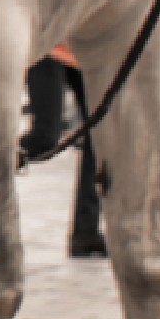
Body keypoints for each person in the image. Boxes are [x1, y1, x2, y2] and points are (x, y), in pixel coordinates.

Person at [24, 51, 105, 258]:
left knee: (99, 132)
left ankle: (86, 232)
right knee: (44, 139)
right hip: (48, 48)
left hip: (86, 49)